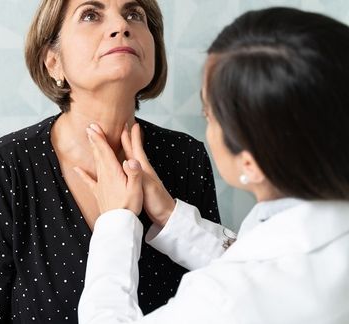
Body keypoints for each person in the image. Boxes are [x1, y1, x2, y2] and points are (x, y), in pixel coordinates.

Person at [77, 6, 349, 324]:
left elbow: (254, 285)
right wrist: (171, 217)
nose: (120, 27)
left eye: (208, 114)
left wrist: (116, 222)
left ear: (251, 162)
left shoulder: (227, 298)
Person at [0, 0, 222, 322]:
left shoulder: (185, 156)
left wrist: (169, 215)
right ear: (54, 62)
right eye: (91, 15)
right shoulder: (10, 164)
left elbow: (221, 295)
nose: (121, 26)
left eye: (134, 15)